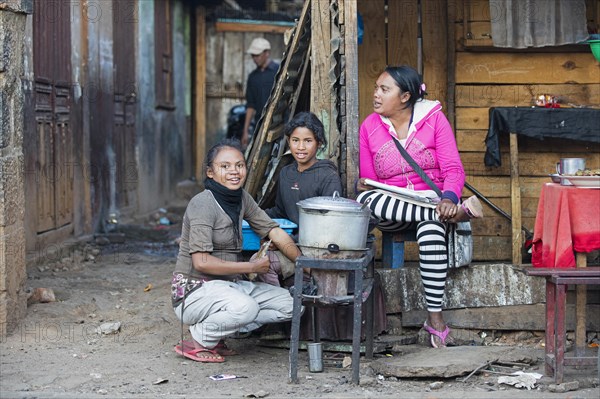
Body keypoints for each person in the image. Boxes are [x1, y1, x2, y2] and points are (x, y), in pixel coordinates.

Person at [356, 65, 483, 348]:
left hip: (434, 203)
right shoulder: (369, 126)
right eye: (376, 88)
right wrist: (448, 210)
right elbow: (368, 181)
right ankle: (448, 216)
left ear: (405, 97)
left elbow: (453, 169)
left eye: (383, 89)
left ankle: (435, 319)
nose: (375, 94)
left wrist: (449, 197)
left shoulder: (434, 120)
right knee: (365, 199)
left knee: (431, 231)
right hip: (393, 212)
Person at [171, 139, 301, 363]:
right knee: (246, 308)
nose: (234, 171)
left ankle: (217, 334)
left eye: (239, 165)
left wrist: (303, 263)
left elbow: (274, 232)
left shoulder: (242, 198)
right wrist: (251, 267)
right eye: (225, 166)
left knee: (293, 305)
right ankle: (198, 339)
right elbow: (201, 262)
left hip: (228, 287)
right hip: (194, 292)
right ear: (210, 172)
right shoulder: (202, 204)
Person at [242, 37, 279, 148]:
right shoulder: (253, 77)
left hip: (279, 124)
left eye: (257, 55)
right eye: (253, 55)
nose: (254, 59)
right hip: (259, 126)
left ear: (267, 53)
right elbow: (250, 105)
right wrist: (245, 131)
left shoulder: (279, 71)